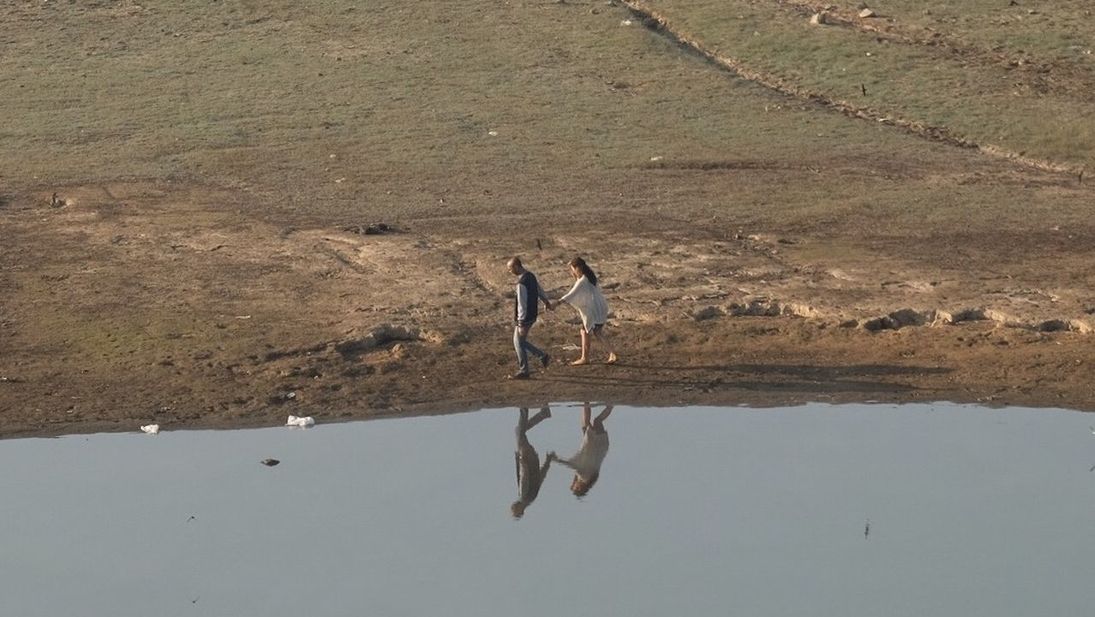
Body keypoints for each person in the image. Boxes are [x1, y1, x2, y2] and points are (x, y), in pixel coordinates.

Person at [557, 256, 618, 365]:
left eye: (572, 269)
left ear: (577, 268)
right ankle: (612, 353)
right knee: (597, 331)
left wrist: (557, 303)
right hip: (599, 306)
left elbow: (572, 294)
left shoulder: (583, 280)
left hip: (593, 308)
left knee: (585, 331)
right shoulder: (590, 277)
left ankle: (585, 358)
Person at [548, 403, 612, 498]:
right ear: (579, 488)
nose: (573, 484)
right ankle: (596, 403)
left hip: (599, 446)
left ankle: (602, 405)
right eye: (575, 487)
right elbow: (571, 465)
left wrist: (556, 459)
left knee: (594, 422)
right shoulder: (584, 477)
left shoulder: (591, 478)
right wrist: (555, 459)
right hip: (595, 444)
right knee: (591, 423)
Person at [507, 256, 552, 379]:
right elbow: (539, 289)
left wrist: (521, 322)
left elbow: (522, 304)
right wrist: (545, 301)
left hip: (525, 317)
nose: (510, 272)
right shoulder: (531, 276)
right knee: (519, 342)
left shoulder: (521, 283)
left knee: (518, 342)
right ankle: (541, 357)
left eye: (510, 269)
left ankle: (525, 370)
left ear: (516, 266)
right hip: (532, 314)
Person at [511, 406, 553, 518]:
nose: (512, 507)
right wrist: (521, 460)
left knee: (519, 431)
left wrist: (548, 462)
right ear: (520, 511)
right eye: (514, 510)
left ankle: (543, 414)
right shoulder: (524, 496)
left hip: (533, 459)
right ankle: (524, 408)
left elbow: (540, 478)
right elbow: (524, 476)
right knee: (520, 433)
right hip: (527, 458)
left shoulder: (532, 498)